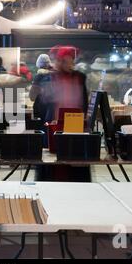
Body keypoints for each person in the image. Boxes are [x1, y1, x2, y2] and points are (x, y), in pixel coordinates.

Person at [34, 46, 90, 182]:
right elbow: (37, 102)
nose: (66, 64)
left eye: (69, 60)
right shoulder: (47, 77)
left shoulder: (79, 77)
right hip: (54, 125)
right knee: (52, 162)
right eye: (63, 61)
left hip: (75, 126)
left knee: (74, 164)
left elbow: (83, 102)